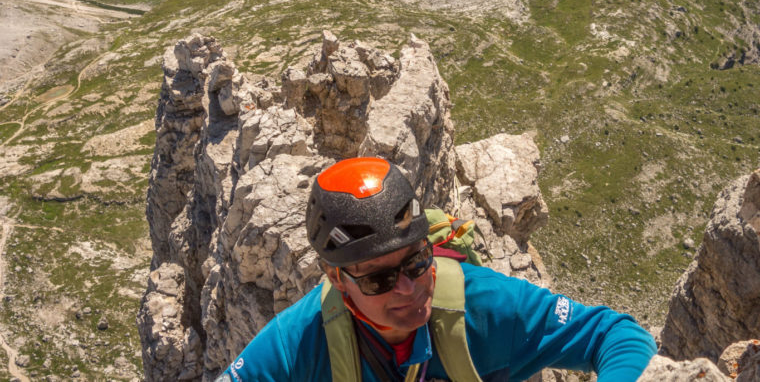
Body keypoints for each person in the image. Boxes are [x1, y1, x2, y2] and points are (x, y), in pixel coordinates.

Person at [218, 157, 656, 382]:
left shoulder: (484, 307)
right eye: (379, 279)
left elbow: (617, 334)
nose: (408, 288)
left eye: (417, 261)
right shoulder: (299, 342)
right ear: (337, 280)